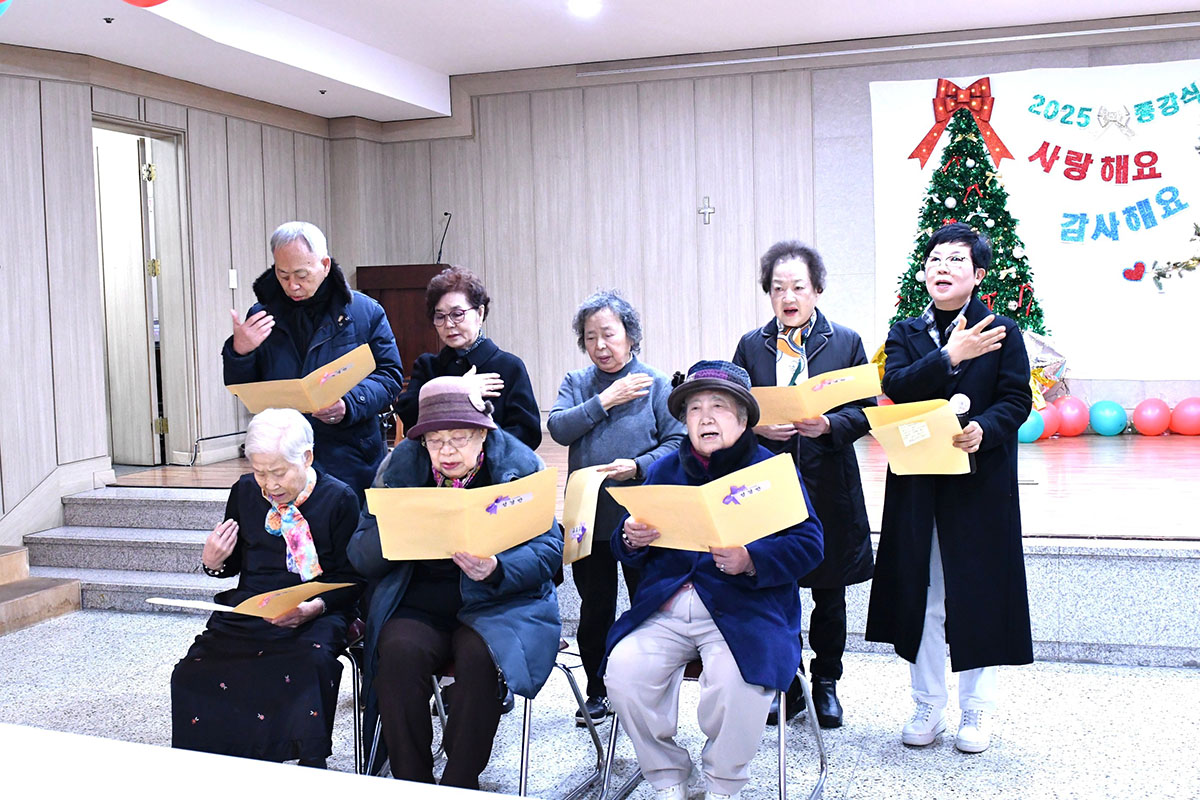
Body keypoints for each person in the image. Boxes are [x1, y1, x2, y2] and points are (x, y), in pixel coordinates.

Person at [604, 361, 824, 800]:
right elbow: (625, 544)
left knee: (737, 681)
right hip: (666, 609)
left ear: (743, 419)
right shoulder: (665, 470)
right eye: (694, 409)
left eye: (719, 407)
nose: (705, 418)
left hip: (745, 610)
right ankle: (667, 777)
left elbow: (810, 544)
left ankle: (724, 784)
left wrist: (751, 560)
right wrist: (630, 538)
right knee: (624, 671)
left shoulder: (770, 472)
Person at [865, 222, 1033, 754]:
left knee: (978, 592)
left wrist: (986, 429)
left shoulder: (1002, 331)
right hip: (918, 482)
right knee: (923, 593)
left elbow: (1016, 399)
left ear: (978, 274)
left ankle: (976, 710)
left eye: (956, 259)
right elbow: (896, 386)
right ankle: (927, 703)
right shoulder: (905, 332)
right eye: (935, 259)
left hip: (979, 483)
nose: (942, 267)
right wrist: (950, 356)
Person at [348, 376, 562, 790]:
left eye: (459, 438)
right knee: (397, 653)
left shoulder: (517, 470)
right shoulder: (400, 471)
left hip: (496, 604)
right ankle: (411, 782)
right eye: (435, 441)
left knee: (481, 658)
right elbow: (359, 554)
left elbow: (550, 551)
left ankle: (461, 782)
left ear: (483, 434)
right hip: (419, 603)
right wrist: (395, 531)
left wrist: (497, 568)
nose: (446, 451)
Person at [732, 241, 874, 729]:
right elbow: (732, 408)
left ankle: (826, 682)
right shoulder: (751, 345)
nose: (788, 297)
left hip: (828, 479)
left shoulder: (845, 341)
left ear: (817, 290)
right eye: (778, 289)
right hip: (768, 481)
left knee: (829, 590)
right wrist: (756, 427)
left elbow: (866, 411)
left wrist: (830, 425)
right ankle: (787, 682)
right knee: (776, 584)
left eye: (798, 287)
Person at [170, 408, 363, 767]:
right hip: (252, 606)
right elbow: (231, 566)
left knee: (308, 662)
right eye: (260, 472)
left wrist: (315, 607)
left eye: (278, 472)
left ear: (307, 458)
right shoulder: (244, 492)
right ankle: (218, 763)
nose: (269, 485)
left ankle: (306, 761)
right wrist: (213, 562)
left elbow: (353, 579)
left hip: (317, 610)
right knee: (192, 672)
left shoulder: (339, 498)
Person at [547, 290, 685, 725]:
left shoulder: (655, 382)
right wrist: (606, 399)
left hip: (643, 517)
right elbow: (558, 428)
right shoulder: (577, 382)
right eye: (590, 337)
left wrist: (638, 466)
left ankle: (647, 687)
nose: (600, 345)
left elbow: (678, 442)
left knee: (649, 603)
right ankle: (597, 689)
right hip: (589, 517)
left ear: (630, 335)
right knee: (594, 608)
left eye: (608, 334)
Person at [222, 221, 404, 500]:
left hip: (349, 451)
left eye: (301, 275)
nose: (292, 285)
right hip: (283, 455)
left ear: (325, 265)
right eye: (282, 275)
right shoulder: (261, 316)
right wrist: (240, 352)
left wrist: (349, 404)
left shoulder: (364, 311)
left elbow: (390, 376)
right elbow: (243, 388)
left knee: (348, 523)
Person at [395, 266, 541, 450]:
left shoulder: (509, 367)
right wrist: (459, 391)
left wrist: (477, 451)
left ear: (480, 313)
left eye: (457, 314)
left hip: (493, 466)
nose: (448, 324)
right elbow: (410, 418)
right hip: (436, 466)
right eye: (440, 316)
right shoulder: (427, 366)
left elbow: (528, 434)